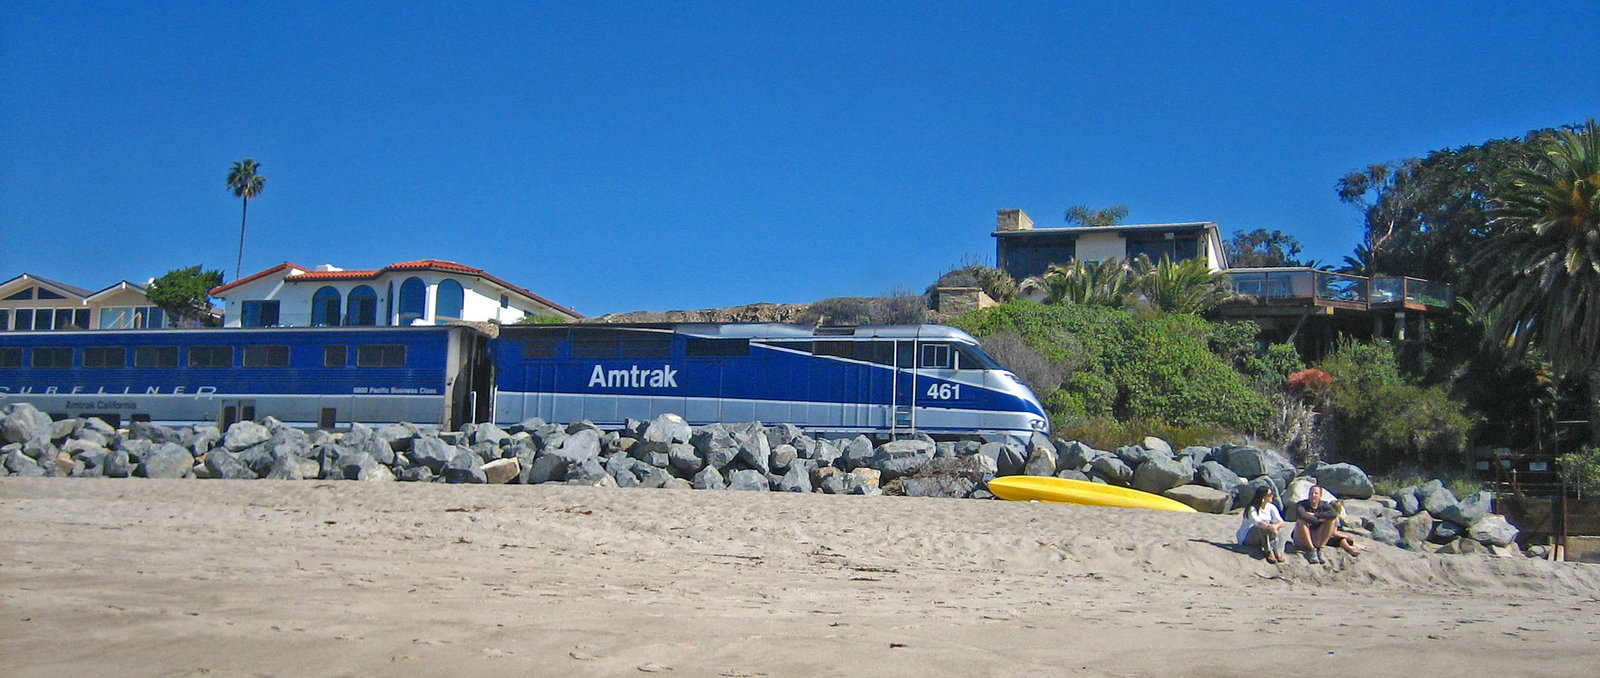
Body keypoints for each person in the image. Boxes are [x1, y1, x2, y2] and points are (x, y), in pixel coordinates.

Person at [1236, 485, 1288, 564]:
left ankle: (1278, 551)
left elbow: (1280, 520)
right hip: (1247, 537)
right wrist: (1270, 527)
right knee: (1263, 527)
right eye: (1270, 494)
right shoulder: (1252, 509)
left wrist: (1274, 527)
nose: (1272, 496)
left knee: (1277, 527)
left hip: (1264, 534)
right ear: (1263, 497)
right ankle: (1268, 551)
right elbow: (1257, 522)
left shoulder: (1271, 507)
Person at [1294, 485, 1341, 564]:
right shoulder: (1301, 504)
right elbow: (1302, 515)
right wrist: (1319, 520)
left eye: (1316, 493)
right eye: (1311, 493)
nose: (1313, 495)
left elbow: (1333, 514)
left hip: (1317, 535)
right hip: (1301, 536)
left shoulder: (1324, 505)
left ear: (1320, 495)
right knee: (1301, 521)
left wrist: (1314, 515)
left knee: (1331, 521)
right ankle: (1311, 549)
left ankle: (1321, 548)